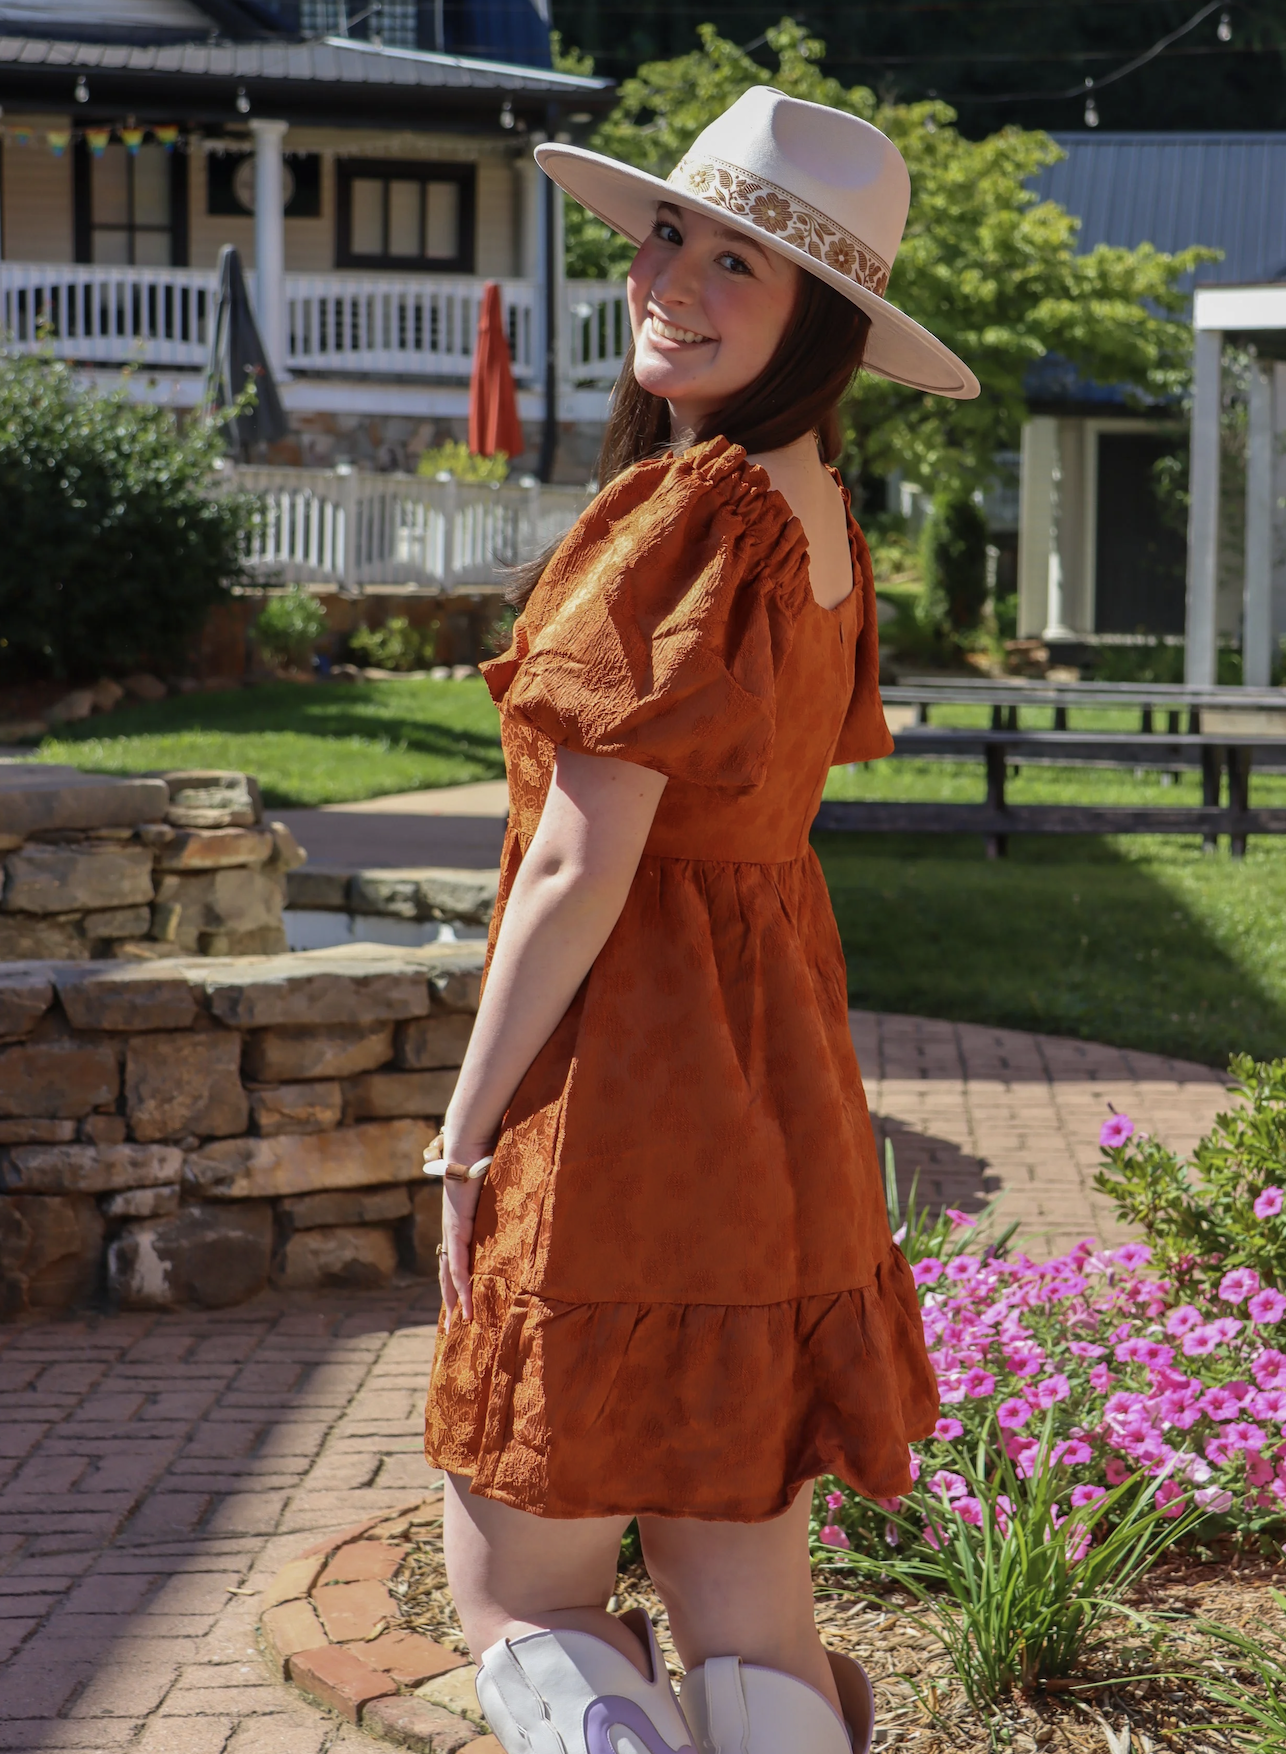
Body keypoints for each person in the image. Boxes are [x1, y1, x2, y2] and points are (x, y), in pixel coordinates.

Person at [422, 85, 978, 1754]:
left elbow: (579, 865)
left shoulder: (688, 517)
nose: (672, 277)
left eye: (736, 260)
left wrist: (460, 1134)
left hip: (623, 1098)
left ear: (817, 319)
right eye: (669, 232)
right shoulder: (815, 521)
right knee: (747, 1617)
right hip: (770, 1108)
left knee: (522, 1601)